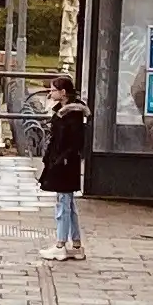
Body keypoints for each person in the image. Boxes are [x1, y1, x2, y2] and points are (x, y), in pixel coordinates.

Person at [37, 75, 89, 260]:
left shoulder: (71, 115)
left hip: (65, 164)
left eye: (53, 90)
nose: (50, 93)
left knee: (63, 204)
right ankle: (76, 244)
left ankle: (61, 244)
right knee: (69, 204)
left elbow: (72, 142)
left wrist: (60, 159)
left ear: (63, 92)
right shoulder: (65, 112)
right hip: (63, 161)